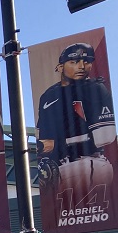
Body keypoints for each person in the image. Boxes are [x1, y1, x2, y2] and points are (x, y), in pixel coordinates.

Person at [36, 42, 116, 201]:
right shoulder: (48, 95)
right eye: (74, 62)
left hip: (90, 162)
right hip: (57, 168)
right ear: (60, 66)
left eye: (86, 61)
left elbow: (105, 137)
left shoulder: (95, 88)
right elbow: (45, 139)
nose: (81, 66)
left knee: (93, 218)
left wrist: (58, 143)